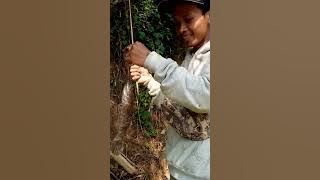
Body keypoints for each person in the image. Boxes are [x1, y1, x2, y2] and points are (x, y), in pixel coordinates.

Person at [124, 0, 210, 179]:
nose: (181, 29)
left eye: (188, 19)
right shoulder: (191, 55)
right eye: (177, 23)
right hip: (179, 171)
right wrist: (148, 80)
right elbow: (181, 104)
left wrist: (151, 60)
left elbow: (203, 96)